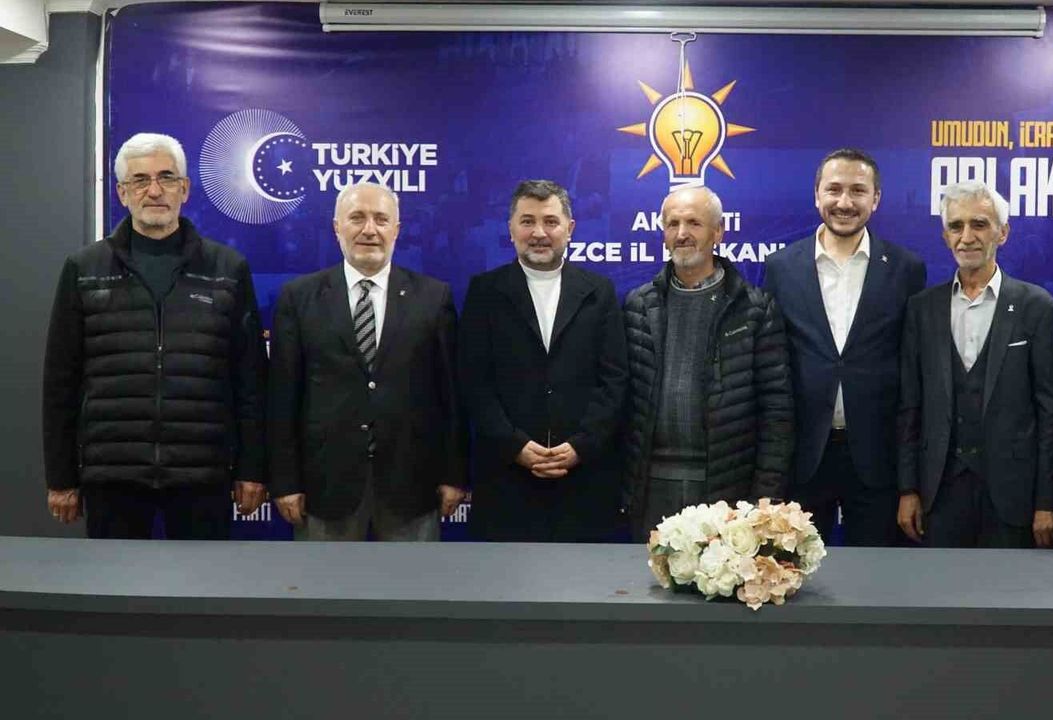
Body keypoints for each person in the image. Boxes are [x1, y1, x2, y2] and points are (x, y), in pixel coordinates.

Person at [43, 132, 267, 539]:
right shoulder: (84, 269)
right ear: (122, 193)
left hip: (203, 474)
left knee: (203, 581)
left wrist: (252, 469)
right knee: (114, 580)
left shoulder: (228, 269)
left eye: (166, 177)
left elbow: (249, 380)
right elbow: (61, 383)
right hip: (113, 473)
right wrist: (61, 477)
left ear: (185, 189)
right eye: (140, 180)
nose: (154, 190)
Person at [268, 182, 466, 540]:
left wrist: (454, 474)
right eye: (357, 218)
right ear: (337, 227)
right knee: (324, 579)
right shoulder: (298, 298)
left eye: (381, 219)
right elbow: (283, 397)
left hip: (412, 486)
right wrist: (285, 480)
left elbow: (450, 395)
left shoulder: (434, 298)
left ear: (397, 229)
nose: (369, 229)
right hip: (324, 488)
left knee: (415, 580)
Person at [764, 148, 925, 545]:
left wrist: (909, 478)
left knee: (876, 576)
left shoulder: (906, 269)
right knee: (794, 574)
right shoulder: (781, 267)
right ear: (816, 195)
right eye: (834, 189)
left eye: (858, 190)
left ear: (876, 198)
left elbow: (913, 373)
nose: (845, 202)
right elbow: (771, 364)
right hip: (803, 456)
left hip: (877, 459)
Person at [459, 179, 627, 541]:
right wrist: (514, 446)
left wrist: (581, 446)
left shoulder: (599, 292)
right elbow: (474, 383)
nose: (539, 233)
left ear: (570, 228)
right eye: (527, 221)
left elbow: (614, 380)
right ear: (511, 229)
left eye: (550, 221)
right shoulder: (484, 292)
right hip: (507, 480)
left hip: (584, 482)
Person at [622, 184, 793, 539]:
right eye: (672, 224)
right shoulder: (638, 306)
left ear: (718, 232)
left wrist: (765, 497)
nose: (682, 233)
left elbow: (777, 412)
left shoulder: (754, 309)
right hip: (651, 488)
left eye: (694, 223)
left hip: (726, 490)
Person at [897, 180, 1053, 548]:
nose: (967, 237)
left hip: (1013, 494)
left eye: (979, 224)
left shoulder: (1036, 306)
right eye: (956, 226)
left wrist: (1046, 501)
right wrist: (908, 488)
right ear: (945, 236)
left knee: (1008, 586)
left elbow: (1048, 412)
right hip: (939, 491)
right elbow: (910, 407)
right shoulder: (922, 309)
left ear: (1003, 233)